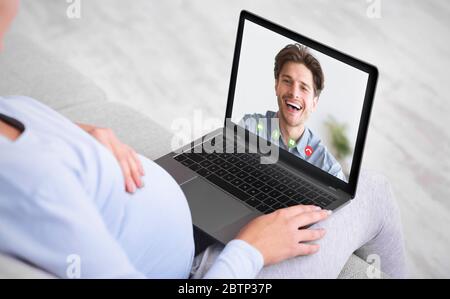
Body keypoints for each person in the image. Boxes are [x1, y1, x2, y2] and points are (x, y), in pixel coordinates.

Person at [0, 0, 406, 278]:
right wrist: (252, 248)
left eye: (304, 88)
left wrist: (73, 136)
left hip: (195, 236)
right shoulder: (34, 187)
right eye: (286, 82)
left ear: (316, 101)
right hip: (212, 270)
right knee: (372, 188)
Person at [240, 44, 346, 181]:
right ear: (276, 86)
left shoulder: (329, 170)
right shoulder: (249, 128)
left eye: (304, 87)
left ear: (314, 103)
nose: (294, 93)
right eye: (287, 81)